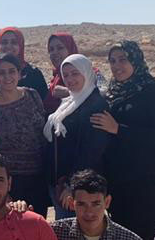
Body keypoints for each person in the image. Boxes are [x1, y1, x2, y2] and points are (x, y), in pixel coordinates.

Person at [94, 40, 155, 240]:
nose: (117, 66)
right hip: (119, 179)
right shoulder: (112, 92)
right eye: (112, 61)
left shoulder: (151, 89)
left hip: (146, 180)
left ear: (135, 61)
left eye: (123, 59)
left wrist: (118, 129)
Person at [0, 54, 50, 217]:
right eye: (1, 73)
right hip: (12, 182)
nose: (7, 77)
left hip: (39, 177)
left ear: (19, 73)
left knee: (38, 225)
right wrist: (3, 191)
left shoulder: (32, 95)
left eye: (12, 71)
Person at [44, 54, 109, 218]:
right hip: (60, 182)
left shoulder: (95, 104)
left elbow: (92, 151)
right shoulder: (71, 101)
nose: (70, 79)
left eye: (75, 73)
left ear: (86, 72)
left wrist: (71, 185)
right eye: (65, 75)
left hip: (79, 188)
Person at [0, 27, 48, 101]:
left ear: (20, 45)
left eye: (14, 42)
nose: (8, 46)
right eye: (4, 42)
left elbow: (44, 102)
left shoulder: (33, 73)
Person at [44, 32, 80, 113]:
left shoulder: (88, 72)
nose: (54, 52)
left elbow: (102, 93)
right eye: (51, 49)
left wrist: (70, 93)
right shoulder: (56, 78)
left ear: (70, 49)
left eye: (60, 48)